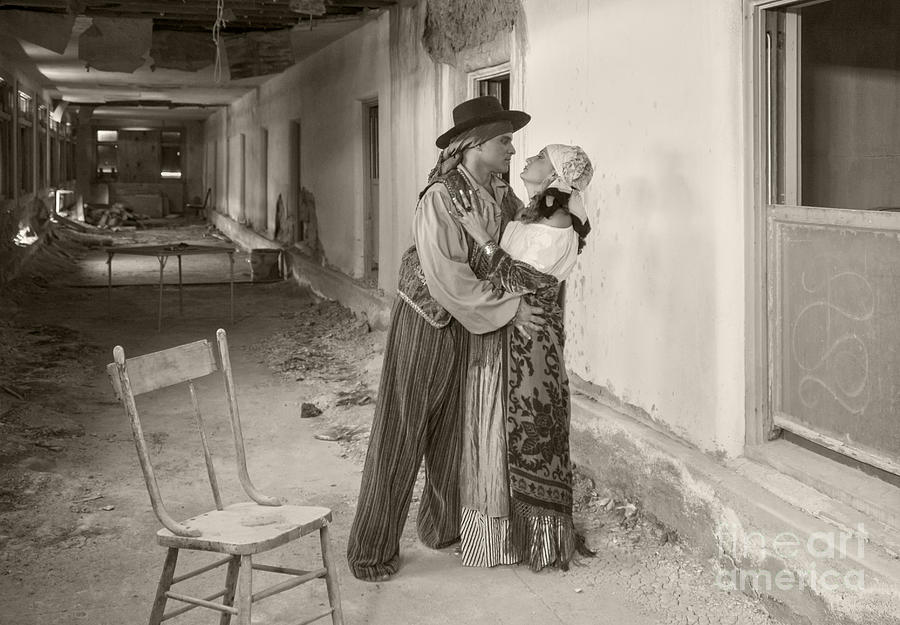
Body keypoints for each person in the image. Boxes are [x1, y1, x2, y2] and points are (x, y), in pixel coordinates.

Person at [346, 96, 549, 582]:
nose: (511, 151)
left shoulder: (498, 194)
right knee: (402, 432)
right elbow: (448, 279)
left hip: (469, 326)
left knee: (452, 434)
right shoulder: (441, 197)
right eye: (504, 141)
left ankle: (440, 527)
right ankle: (370, 549)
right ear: (475, 143)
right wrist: (512, 307)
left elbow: (520, 243)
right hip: (427, 321)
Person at [448, 144, 594, 571]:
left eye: (541, 158)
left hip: (534, 344)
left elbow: (518, 278)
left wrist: (479, 236)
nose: (528, 159)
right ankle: (506, 537)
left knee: (533, 432)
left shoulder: (559, 219)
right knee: (506, 433)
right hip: (513, 334)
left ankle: (543, 543)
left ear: (556, 175)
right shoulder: (531, 211)